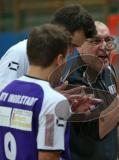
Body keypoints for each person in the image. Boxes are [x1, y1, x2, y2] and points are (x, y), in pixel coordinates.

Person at [0, 4, 97, 112]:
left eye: (75, 47)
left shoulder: (62, 59)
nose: (70, 52)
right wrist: (47, 98)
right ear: (59, 30)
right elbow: (3, 99)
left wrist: (61, 101)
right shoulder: (20, 52)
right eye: (71, 44)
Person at [0, 24, 71, 160]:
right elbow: (48, 156)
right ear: (60, 60)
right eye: (66, 57)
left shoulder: (5, 93)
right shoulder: (53, 101)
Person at [68, 21, 119, 160]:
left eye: (108, 40)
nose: (105, 46)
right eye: (96, 41)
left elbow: (114, 120)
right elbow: (99, 129)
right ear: (80, 46)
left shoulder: (108, 70)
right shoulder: (74, 81)